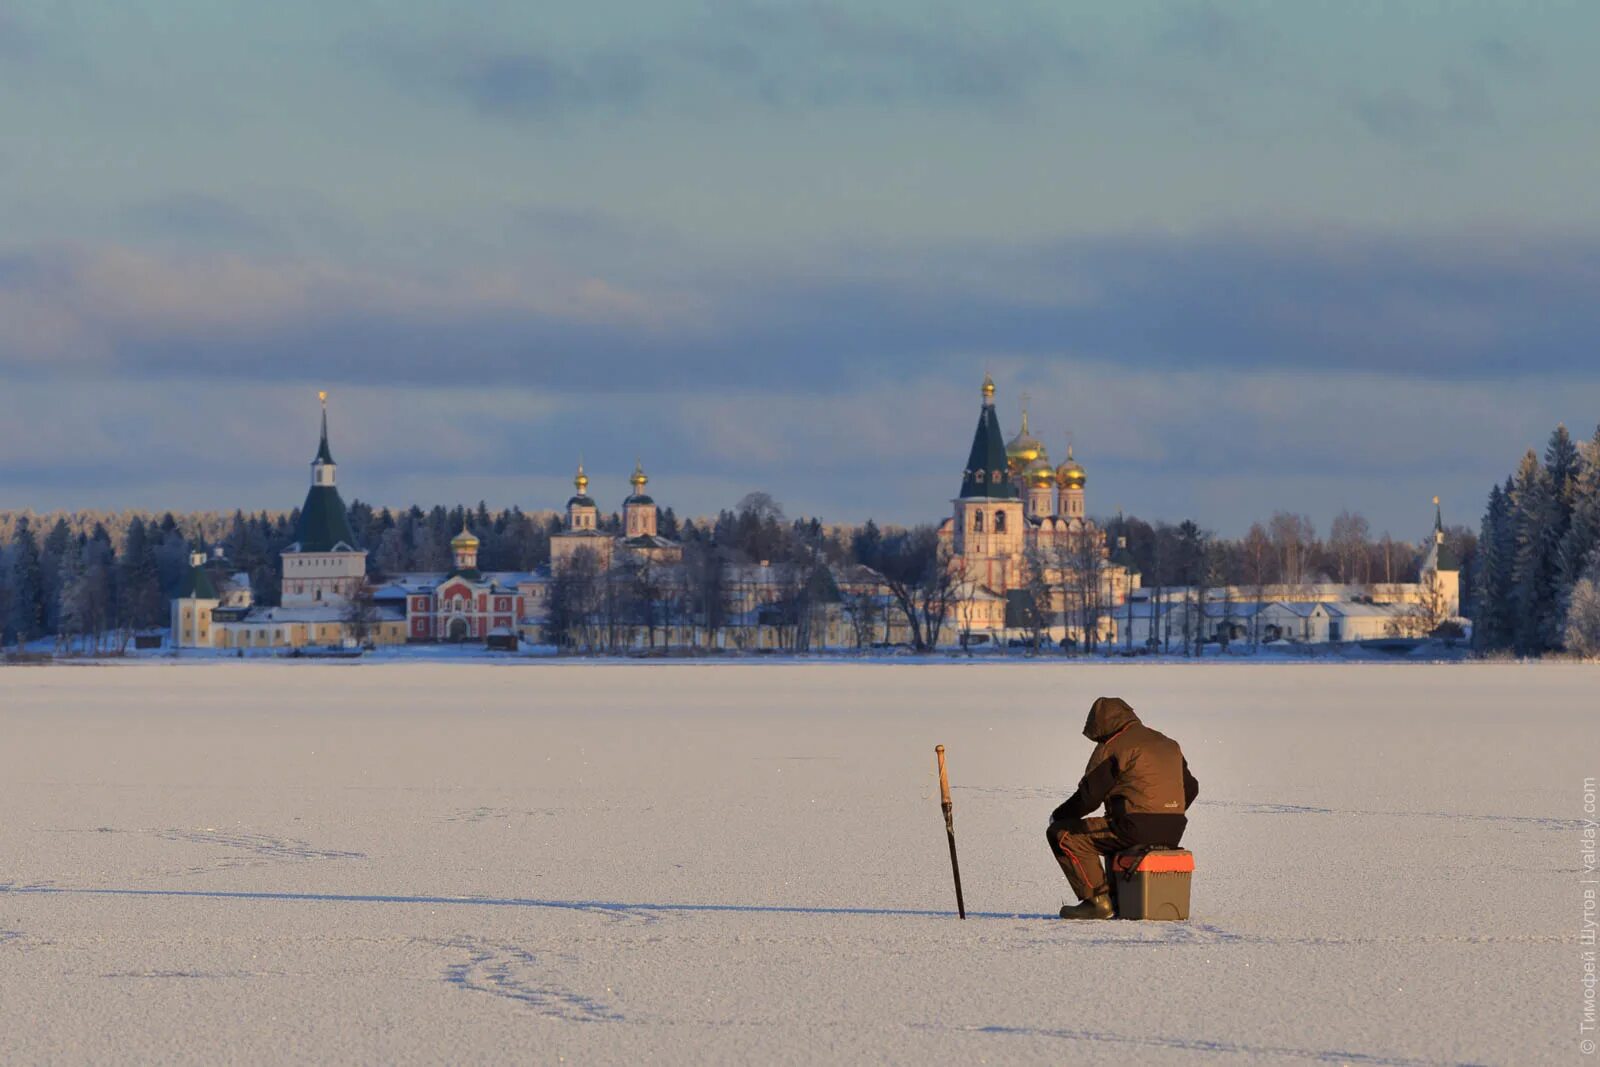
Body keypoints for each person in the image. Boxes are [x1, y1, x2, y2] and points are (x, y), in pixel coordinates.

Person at [1047, 696, 1199, 920]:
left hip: (1134, 827)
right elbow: (1191, 788)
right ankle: (1122, 898)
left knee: (1063, 835)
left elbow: (1089, 798)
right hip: (1174, 828)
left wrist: (1058, 816)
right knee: (1114, 831)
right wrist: (1165, 810)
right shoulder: (1167, 743)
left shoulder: (1115, 746)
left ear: (1100, 725)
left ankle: (1097, 901)